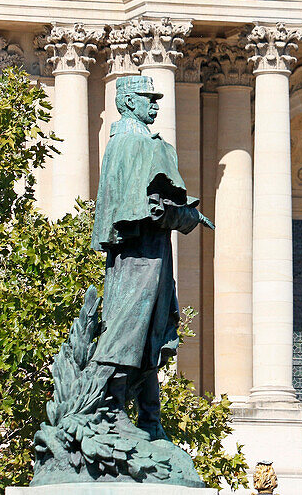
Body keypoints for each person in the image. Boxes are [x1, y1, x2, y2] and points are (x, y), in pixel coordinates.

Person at [89, 74, 214, 441]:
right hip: (137, 254)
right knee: (131, 328)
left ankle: (149, 419)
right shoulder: (130, 143)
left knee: (154, 333)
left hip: (152, 252)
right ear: (128, 101)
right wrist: (187, 215)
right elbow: (145, 209)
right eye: (148, 98)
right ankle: (111, 410)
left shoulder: (140, 141)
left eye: (156, 98)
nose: (155, 104)